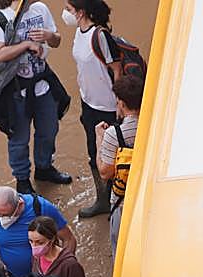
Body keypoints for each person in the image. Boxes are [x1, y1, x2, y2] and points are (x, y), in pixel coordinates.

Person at [0, 0, 71, 195]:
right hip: (16, 91)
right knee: (19, 139)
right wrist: (26, 44)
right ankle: (22, 179)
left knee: (49, 130)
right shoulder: (0, 17)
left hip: (42, 83)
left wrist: (50, 36)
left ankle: (44, 168)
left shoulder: (40, 9)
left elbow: (56, 41)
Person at [63, 0, 121, 217]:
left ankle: (118, 198)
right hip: (89, 104)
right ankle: (103, 200)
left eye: (69, 9)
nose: (66, 14)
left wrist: (120, 104)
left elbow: (116, 69)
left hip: (108, 106)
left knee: (113, 154)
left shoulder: (100, 36)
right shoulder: (79, 32)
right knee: (93, 154)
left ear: (80, 12)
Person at [0, 185, 74, 277]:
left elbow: (69, 239)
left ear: (20, 205)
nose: (2, 219)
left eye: (6, 215)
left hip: (46, 275)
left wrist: (62, 267)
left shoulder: (41, 207)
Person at [97, 73, 142, 256]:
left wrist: (99, 139)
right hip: (147, 191)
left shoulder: (114, 134)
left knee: (122, 251)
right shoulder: (156, 122)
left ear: (122, 104)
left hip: (123, 200)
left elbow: (105, 172)